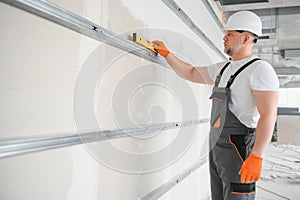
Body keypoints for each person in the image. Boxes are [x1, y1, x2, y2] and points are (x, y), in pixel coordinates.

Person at [153, 11, 279, 200]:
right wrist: (167, 54)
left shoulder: (260, 70)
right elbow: (192, 73)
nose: (224, 38)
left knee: (238, 196)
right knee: (218, 196)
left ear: (245, 38)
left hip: (238, 146)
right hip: (217, 144)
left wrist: (257, 156)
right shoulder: (224, 68)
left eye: (230, 34)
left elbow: (269, 114)